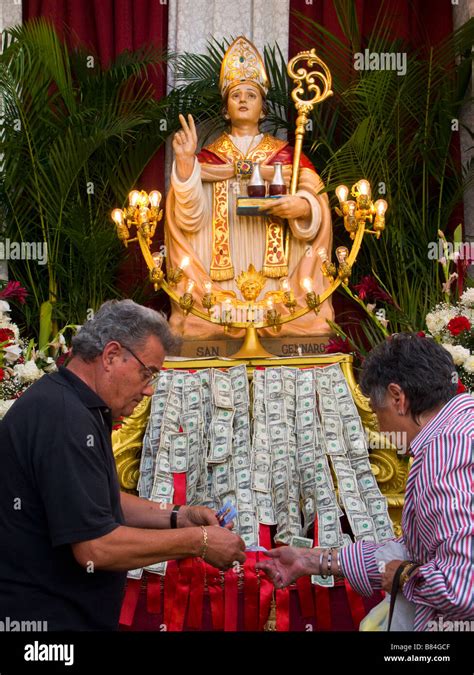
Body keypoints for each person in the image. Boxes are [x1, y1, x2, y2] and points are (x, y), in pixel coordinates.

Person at [0, 299, 245, 630]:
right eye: (147, 374)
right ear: (111, 355)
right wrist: (199, 541)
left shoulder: (76, 404)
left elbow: (98, 500)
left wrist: (178, 516)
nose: (148, 391)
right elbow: (94, 548)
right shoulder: (63, 416)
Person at [256, 333, 474, 631]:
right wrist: (311, 561)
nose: (382, 429)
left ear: (398, 398)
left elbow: (461, 587)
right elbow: (417, 550)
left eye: (376, 413)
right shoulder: (462, 426)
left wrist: (403, 578)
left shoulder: (444, 453)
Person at [166, 36, 334, 339]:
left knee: (304, 321)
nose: (243, 100)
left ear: (264, 109)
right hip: (219, 281)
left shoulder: (287, 157)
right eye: (236, 95)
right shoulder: (207, 160)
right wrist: (185, 166)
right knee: (198, 324)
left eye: (251, 95)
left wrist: (303, 207)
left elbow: (316, 198)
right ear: (226, 110)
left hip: (279, 280)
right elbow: (188, 219)